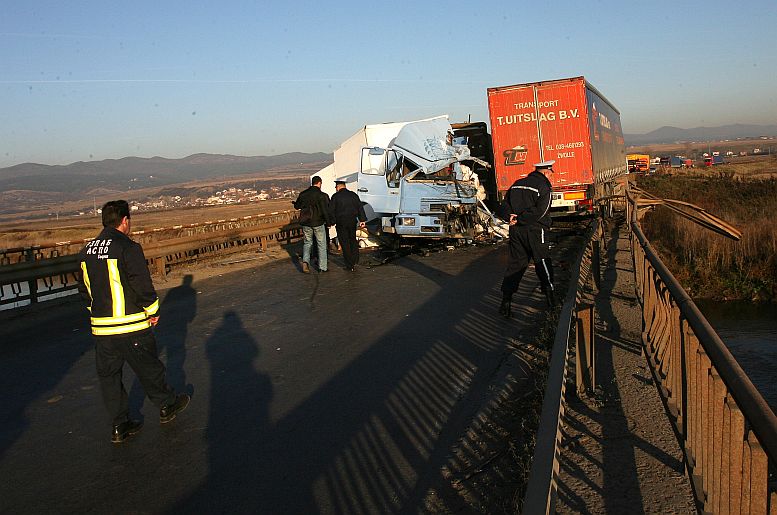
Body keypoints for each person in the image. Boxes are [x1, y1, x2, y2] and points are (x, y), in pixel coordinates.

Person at [78, 200, 190, 443]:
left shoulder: (86, 251)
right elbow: (142, 284)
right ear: (125, 221)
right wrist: (152, 311)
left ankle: (120, 425)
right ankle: (167, 405)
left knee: (109, 378)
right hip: (130, 324)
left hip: (102, 328)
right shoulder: (127, 247)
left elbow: (85, 290)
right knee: (148, 367)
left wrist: (95, 312)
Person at [498, 160, 556, 318]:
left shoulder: (517, 184)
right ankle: (551, 300)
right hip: (536, 231)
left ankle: (506, 301)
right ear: (545, 172)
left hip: (516, 232)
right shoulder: (544, 187)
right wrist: (522, 219)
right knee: (542, 261)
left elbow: (504, 205)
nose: (552, 177)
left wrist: (510, 217)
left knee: (516, 264)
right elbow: (541, 211)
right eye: (551, 174)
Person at [293, 175, 333, 273]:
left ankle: (305, 262)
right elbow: (325, 210)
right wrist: (329, 222)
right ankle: (322, 267)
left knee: (307, 243)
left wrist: (295, 203)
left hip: (306, 223)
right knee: (321, 244)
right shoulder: (322, 195)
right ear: (319, 183)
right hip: (318, 223)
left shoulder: (303, 194)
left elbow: (297, 206)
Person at [329, 180, 367, 271]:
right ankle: (355, 259)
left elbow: (331, 211)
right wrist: (362, 220)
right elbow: (360, 207)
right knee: (353, 240)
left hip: (341, 223)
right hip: (352, 221)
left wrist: (332, 222)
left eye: (336, 187)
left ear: (338, 187)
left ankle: (349, 264)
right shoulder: (353, 195)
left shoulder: (335, 197)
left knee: (344, 242)